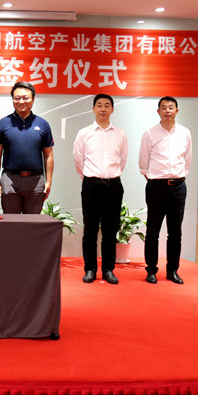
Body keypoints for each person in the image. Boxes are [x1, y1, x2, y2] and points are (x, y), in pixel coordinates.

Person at [73, 94, 128, 285]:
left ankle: (108, 269)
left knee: (110, 230)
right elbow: (78, 159)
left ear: (112, 109)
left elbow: (123, 160)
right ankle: (90, 269)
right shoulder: (84, 133)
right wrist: (89, 178)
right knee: (90, 230)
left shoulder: (120, 134)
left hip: (114, 185)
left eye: (106, 105)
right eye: (99, 105)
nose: (103, 109)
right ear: (93, 109)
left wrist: (110, 176)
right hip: (91, 185)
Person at [139, 96, 192, 285]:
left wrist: (178, 177)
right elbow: (143, 162)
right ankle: (151, 270)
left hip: (178, 187)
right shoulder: (150, 133)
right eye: (164, 107)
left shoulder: (185, 133)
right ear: (158, 111)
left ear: (177, 110)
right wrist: (154, 179)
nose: (167, 110)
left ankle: (173, 271)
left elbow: (187, 160)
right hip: (156, 188)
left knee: (175, 232)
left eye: (171, 107)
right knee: (153, 231)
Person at [0, 81, 54, 214]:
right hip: (10, 179)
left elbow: (48, 155)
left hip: (36, 180)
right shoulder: (2, 124)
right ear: (12, 99)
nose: (21, 101)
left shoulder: (43, 124)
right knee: (11, 222)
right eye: (17, 98)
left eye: (25, 98)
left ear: (33, 99)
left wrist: (48, 181)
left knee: (33, 223)